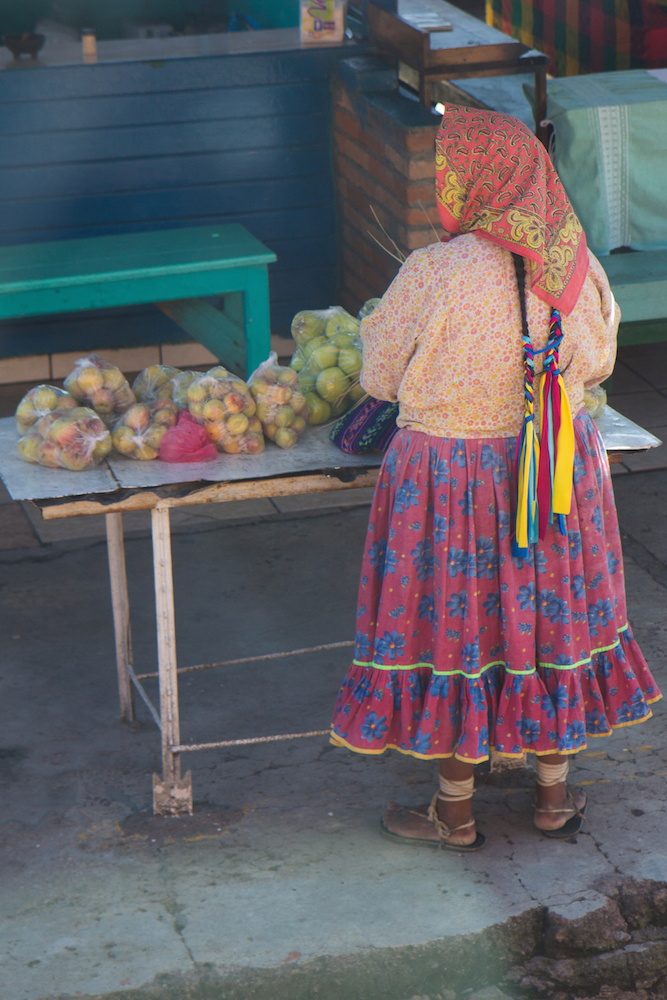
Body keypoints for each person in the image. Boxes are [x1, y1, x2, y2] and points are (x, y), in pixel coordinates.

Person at [329, 106, 661, 850]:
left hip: (447, 480)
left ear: (474, 183)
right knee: (548, 618)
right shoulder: (576, 266)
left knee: (458, 631)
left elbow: (377, 376)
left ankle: (454, 811)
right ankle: (552, 797)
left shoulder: (431, 271)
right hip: (554, 474)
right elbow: (597, 362)